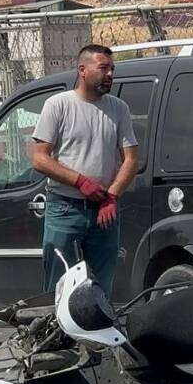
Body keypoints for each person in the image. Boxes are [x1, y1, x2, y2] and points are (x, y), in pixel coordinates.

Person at [31, 44, 139, 294]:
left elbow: (131, 159)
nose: (110, 74)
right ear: (82, 70)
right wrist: (80, 182)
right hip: (65, 207)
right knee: (60, 285)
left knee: (101, 287)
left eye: (112, 69)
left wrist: (112, 196)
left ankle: (94, 329)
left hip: (104, 210)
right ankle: (58, 331)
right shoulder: (58, 105)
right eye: (103, 68)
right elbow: (39, 158)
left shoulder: (118, 108)